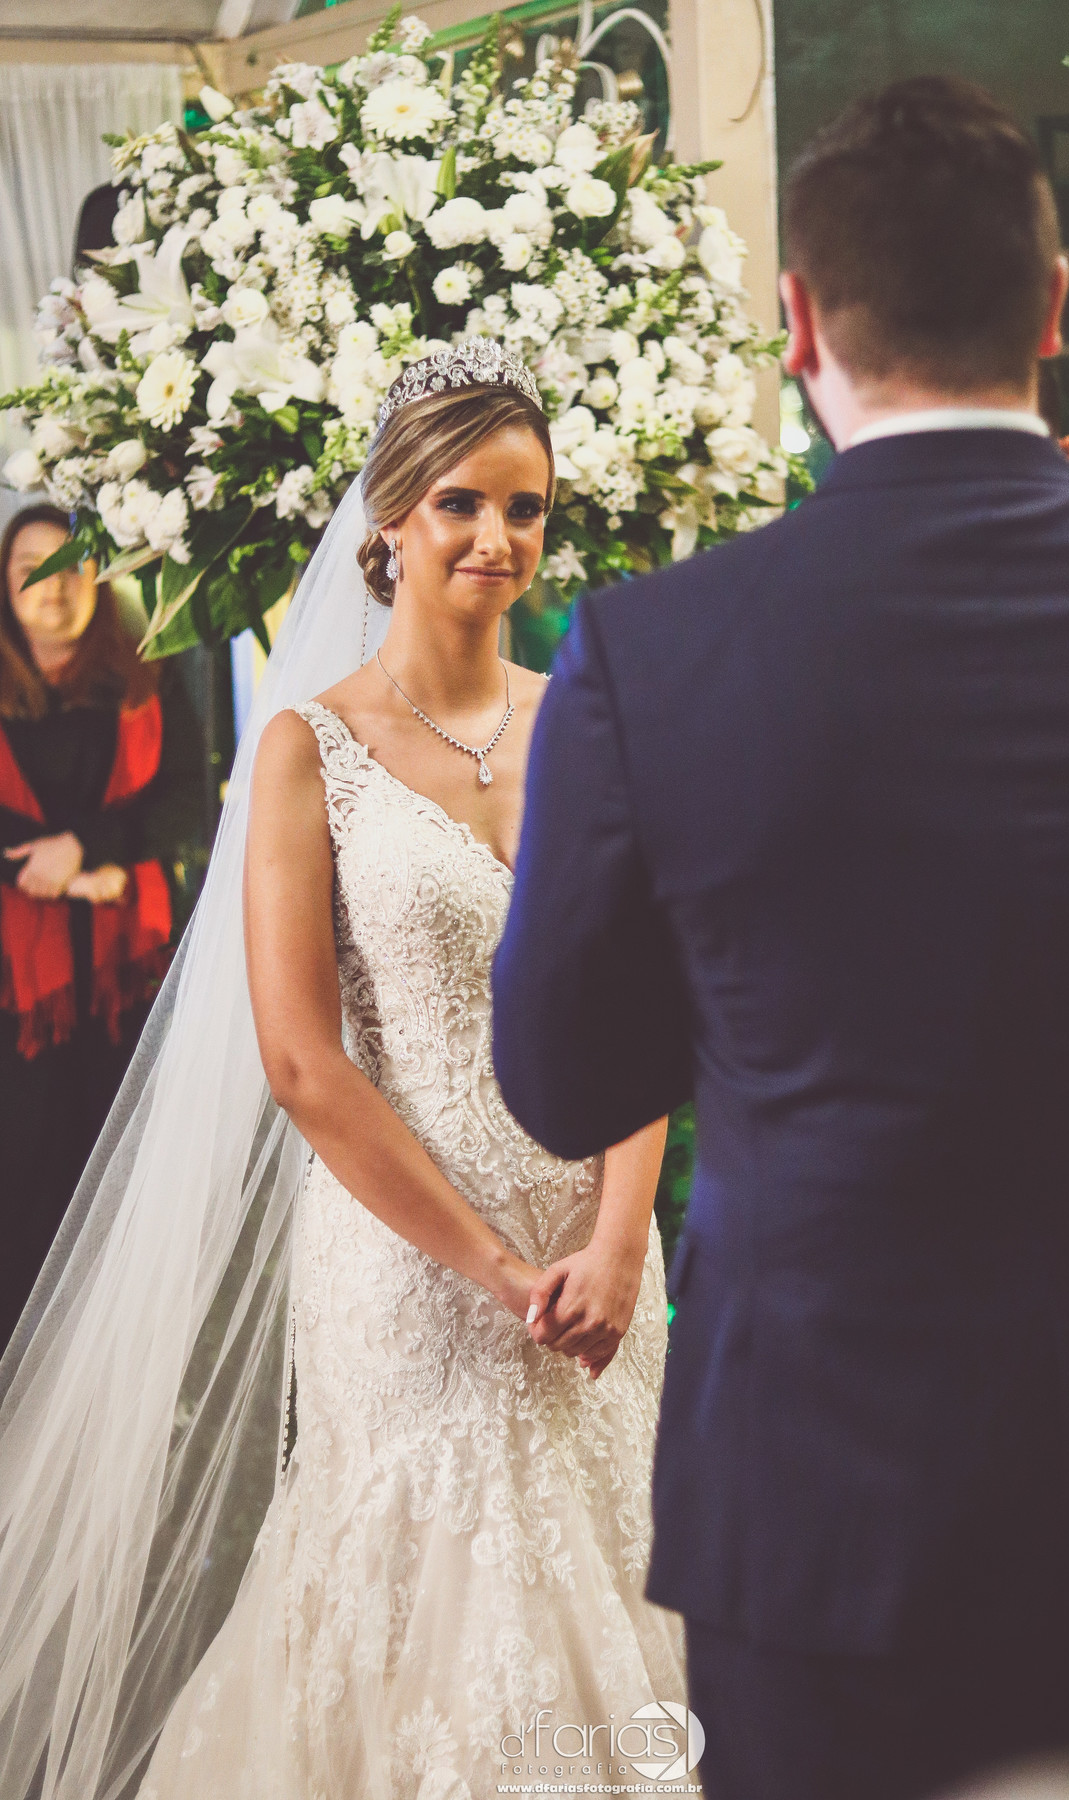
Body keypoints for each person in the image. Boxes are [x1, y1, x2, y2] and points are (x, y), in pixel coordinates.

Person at [493, 76, 1069, 1799]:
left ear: (797, 321)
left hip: (821, 1502)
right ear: (1053, 309)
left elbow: (562, 1075)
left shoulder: (653, 652)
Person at [0, 346, 687, 1800]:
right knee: (433, 1613)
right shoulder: (307, 749)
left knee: (620, 1579)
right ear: (388, 518)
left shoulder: (591, 723)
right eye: (461, 503)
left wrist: (622, 1237)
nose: (497, 537)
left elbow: (647, 996)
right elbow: (303, 1062)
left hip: (601, 1262)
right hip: (410, 1270)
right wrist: (498, 1271)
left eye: (526, 507)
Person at [0, 503, 202, 1352]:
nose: (54, 587)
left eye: (72, 566)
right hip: (18, 990)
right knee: (22, 1163)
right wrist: (60, 871)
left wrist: (89, 848)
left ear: (100, 578)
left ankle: (112, 1354)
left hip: (130, 976)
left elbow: (189, 803)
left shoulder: (147, 672)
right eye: (31, 571)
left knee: (117, 1159)